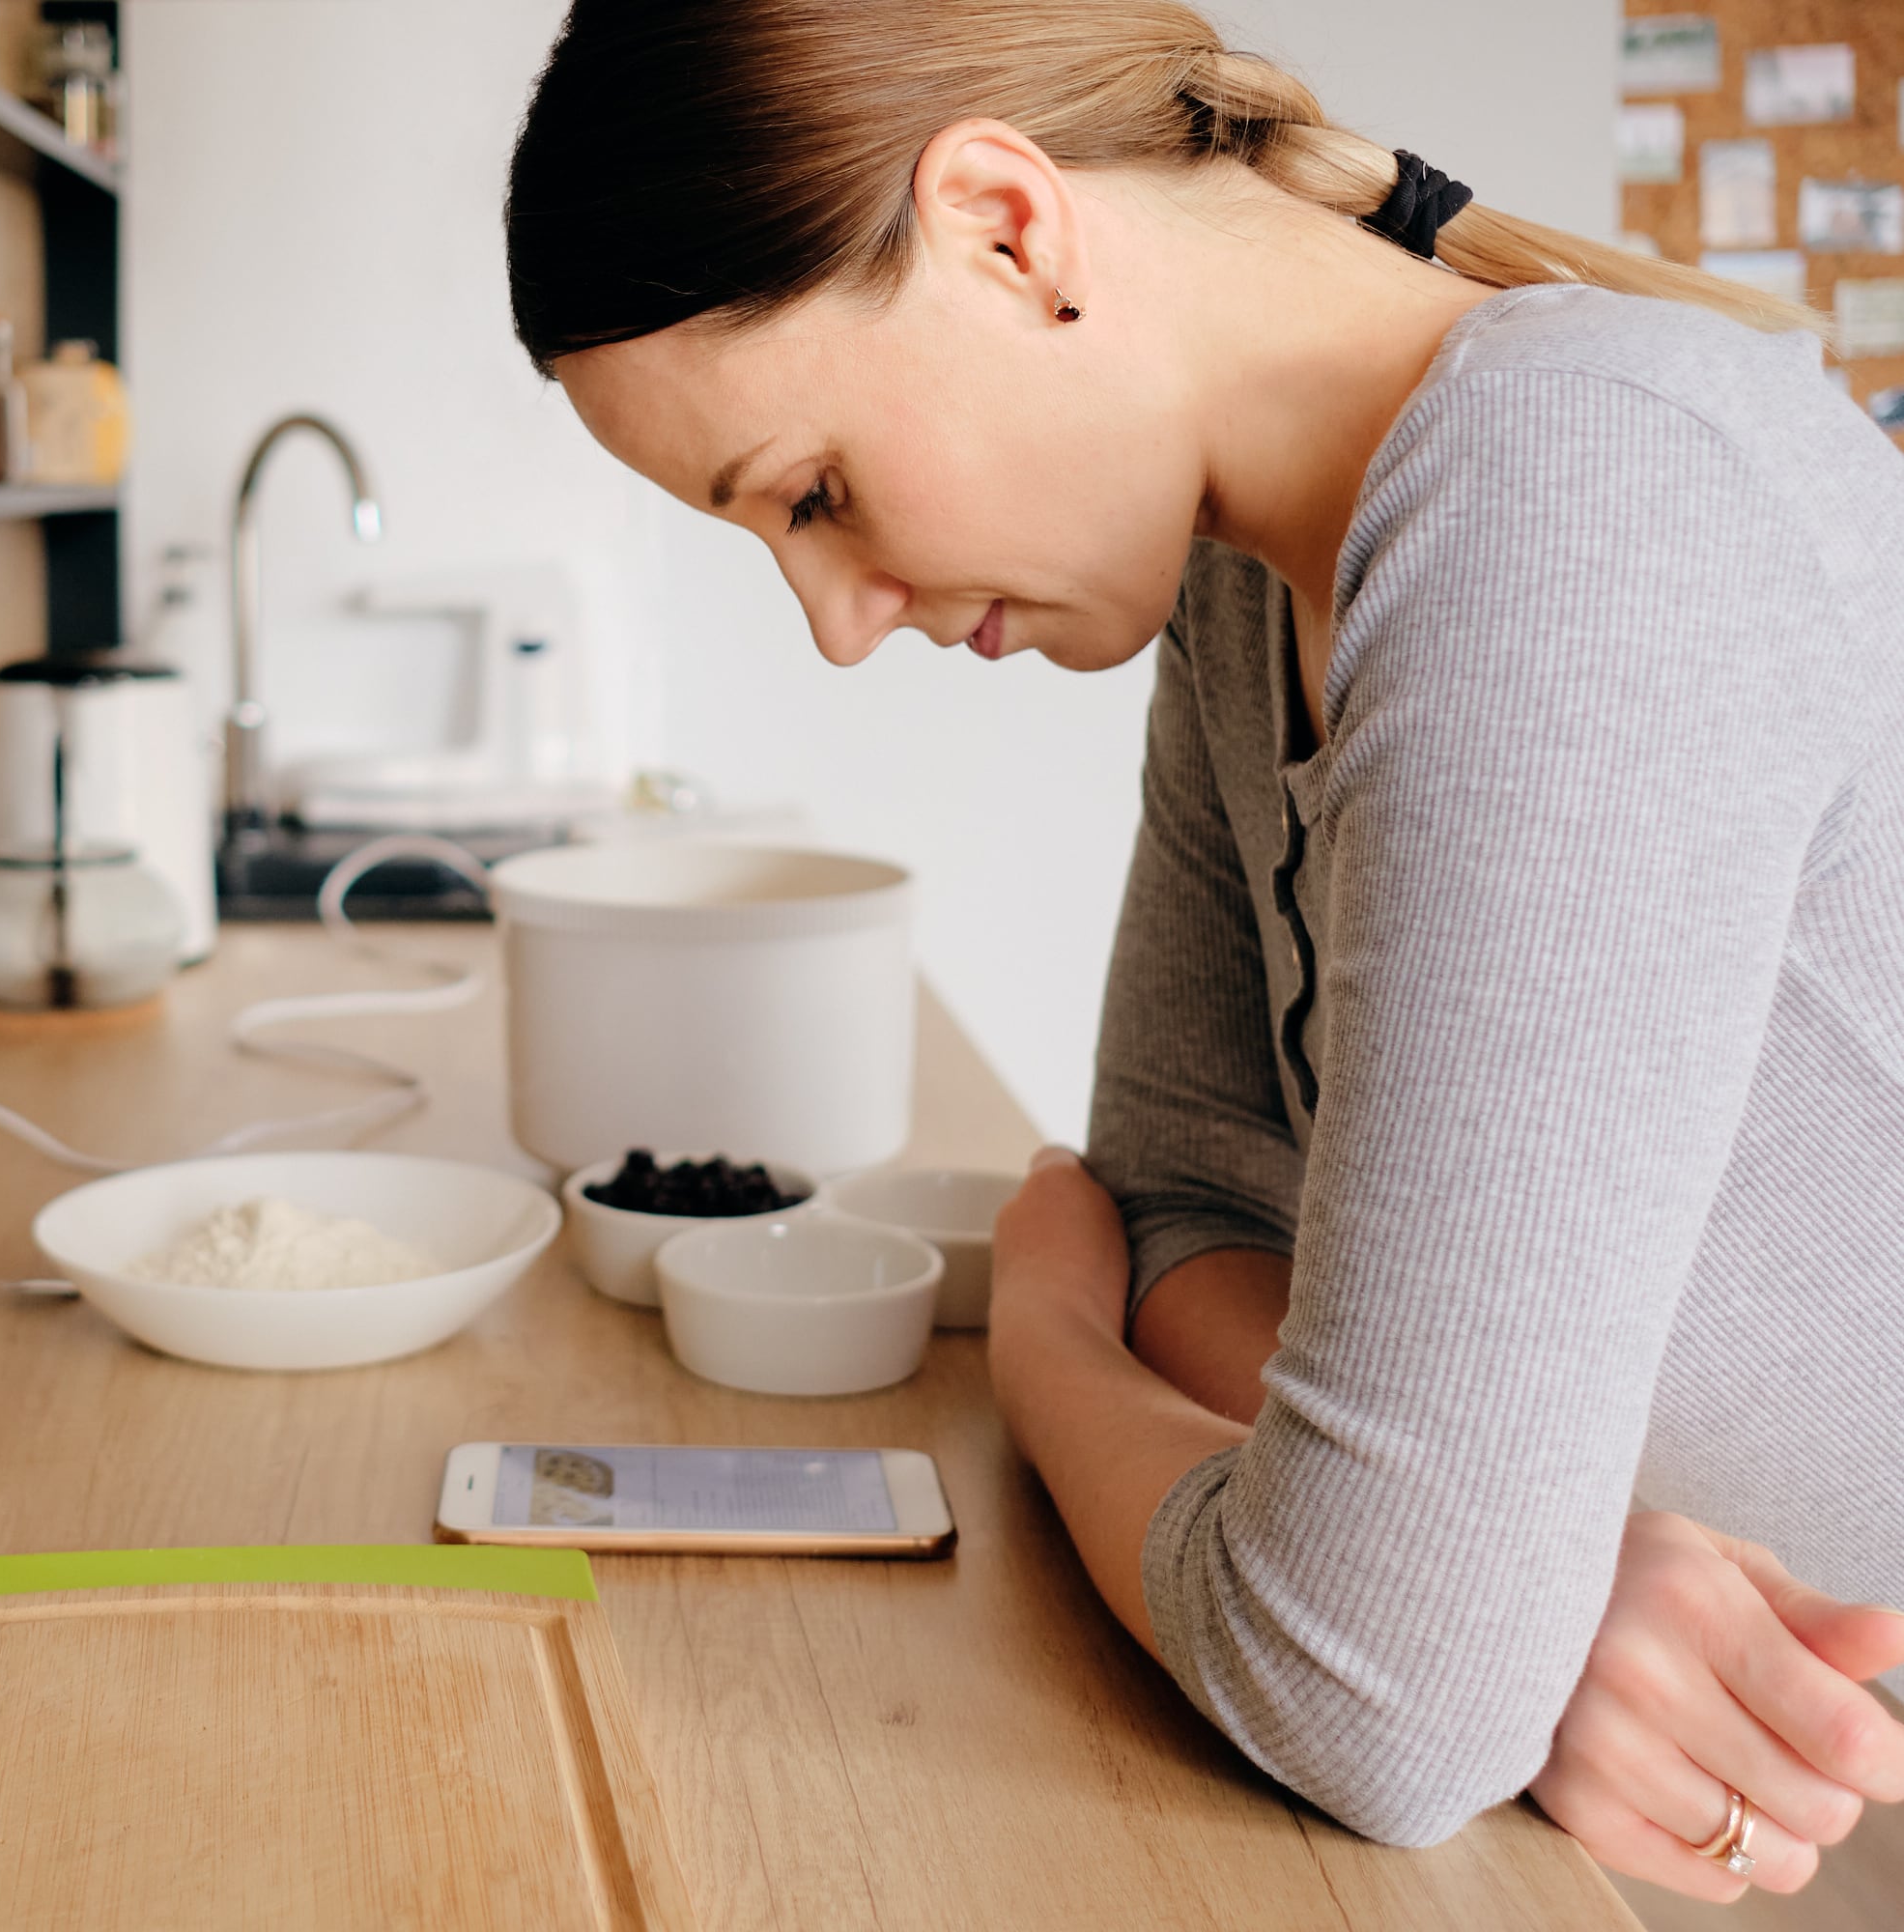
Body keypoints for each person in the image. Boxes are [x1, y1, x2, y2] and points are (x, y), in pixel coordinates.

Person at [504, 0, 1904, 1905]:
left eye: (811, 494)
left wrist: (1061, 1351)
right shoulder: (1249, 588)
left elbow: (1387, 1694)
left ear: (1009, 231)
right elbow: (1178, 1197)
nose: (837, 624)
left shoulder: (1568, 494)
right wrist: (1496, 1556)